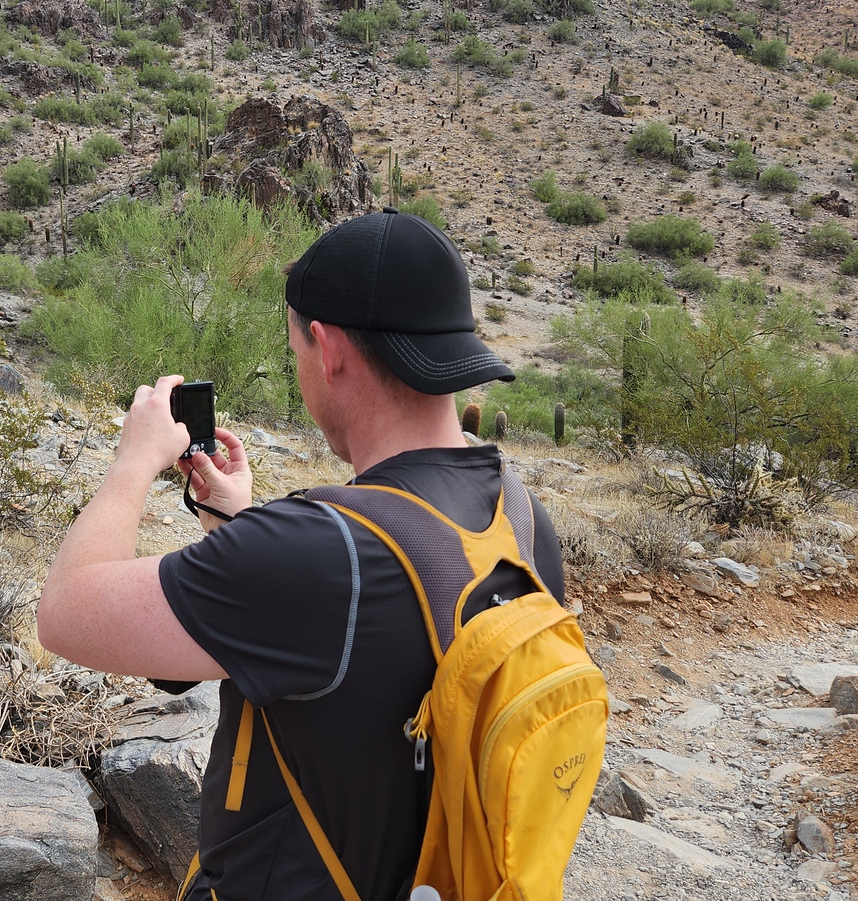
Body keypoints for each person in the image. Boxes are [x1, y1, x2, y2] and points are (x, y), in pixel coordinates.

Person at [37, 209, 566, 901]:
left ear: (328, 346)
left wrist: (133, 464)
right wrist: (241, 528)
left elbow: (65, 612)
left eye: (296, 350)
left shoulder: (320, 553)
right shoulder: (523, 519)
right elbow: (361, 669)